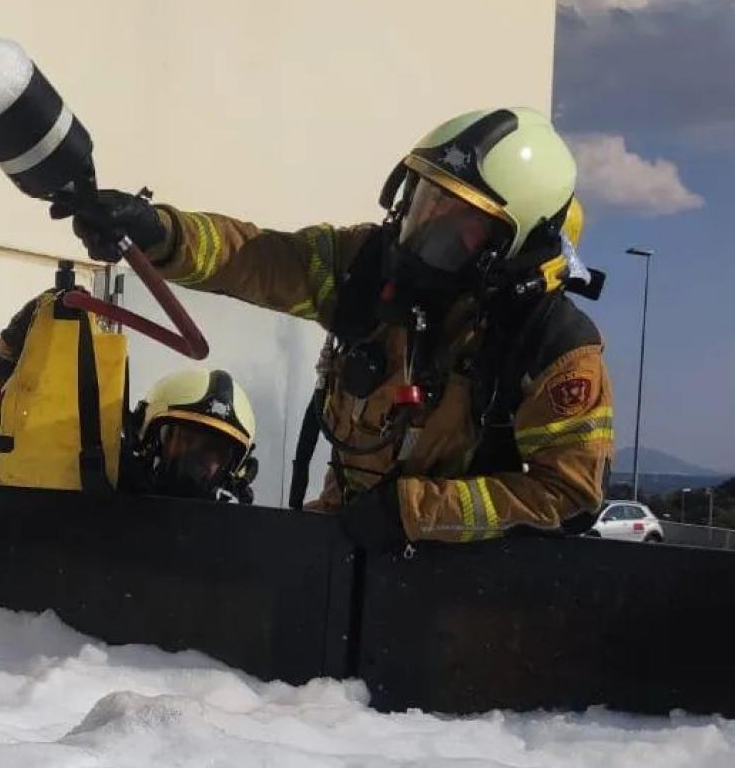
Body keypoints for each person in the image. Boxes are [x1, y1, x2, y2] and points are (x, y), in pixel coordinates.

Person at [55, 107, 614, 551]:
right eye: (425, 202)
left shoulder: (552, 348)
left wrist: (415, 512)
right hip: (339, 552)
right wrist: (160, 235)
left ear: (508, 249)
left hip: (460, 598)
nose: (422, 234)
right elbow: (258, 258)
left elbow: (568, 494)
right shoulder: (367, 268)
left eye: (457, 224)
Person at [0, 265, 259, 503]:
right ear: (147, 434)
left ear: (235, 469)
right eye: (185, 441)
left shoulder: (233, 544)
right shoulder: (90, 478)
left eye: (213, 453)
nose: (193, 463)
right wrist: (5, 356)